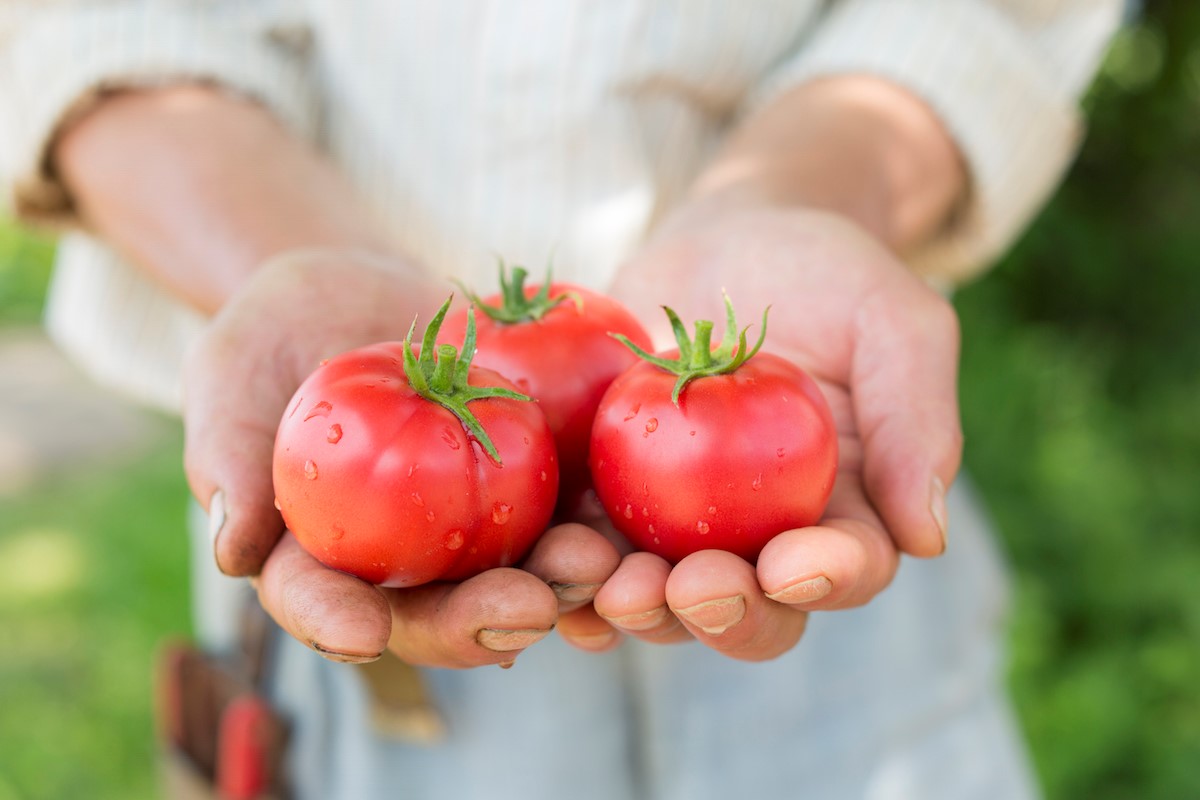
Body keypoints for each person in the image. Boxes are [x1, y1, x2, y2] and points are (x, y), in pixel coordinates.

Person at [0, 2, 1122, 797]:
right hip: (350, 577)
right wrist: (283, 257)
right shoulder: (386, 401)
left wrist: (800, 193)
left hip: (833, 504)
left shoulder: (766, 405)